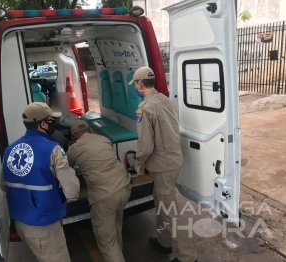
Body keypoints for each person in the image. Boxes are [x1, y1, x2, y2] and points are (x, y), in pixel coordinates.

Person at [129, 67, 197, 262]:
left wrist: (138, 164)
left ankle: (188, 257)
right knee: (161, 205)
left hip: (163, 165)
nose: (136, 87)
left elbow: (145, 145)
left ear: (140, 84)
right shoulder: (165, 100)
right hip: (173, 160)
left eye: (135, 84)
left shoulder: (145, 108)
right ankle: (163, 242)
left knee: (170, 212)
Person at [0, 102, 80, 262]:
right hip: (44, 226)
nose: (54, 124)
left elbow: (3, 185)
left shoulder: (10, 149)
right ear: (43, 124)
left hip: (21, 223)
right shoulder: (53, 149)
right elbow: (72, 192)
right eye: (51, 121)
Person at [66, 120, 132, 262]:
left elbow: (66, 169)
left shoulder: (74, 148)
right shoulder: (104, 139)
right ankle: (118, 254)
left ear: (75, 136)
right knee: (115, 228)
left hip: (104, 196)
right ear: (90, 130)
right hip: (124, 188)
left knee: (106, 241)